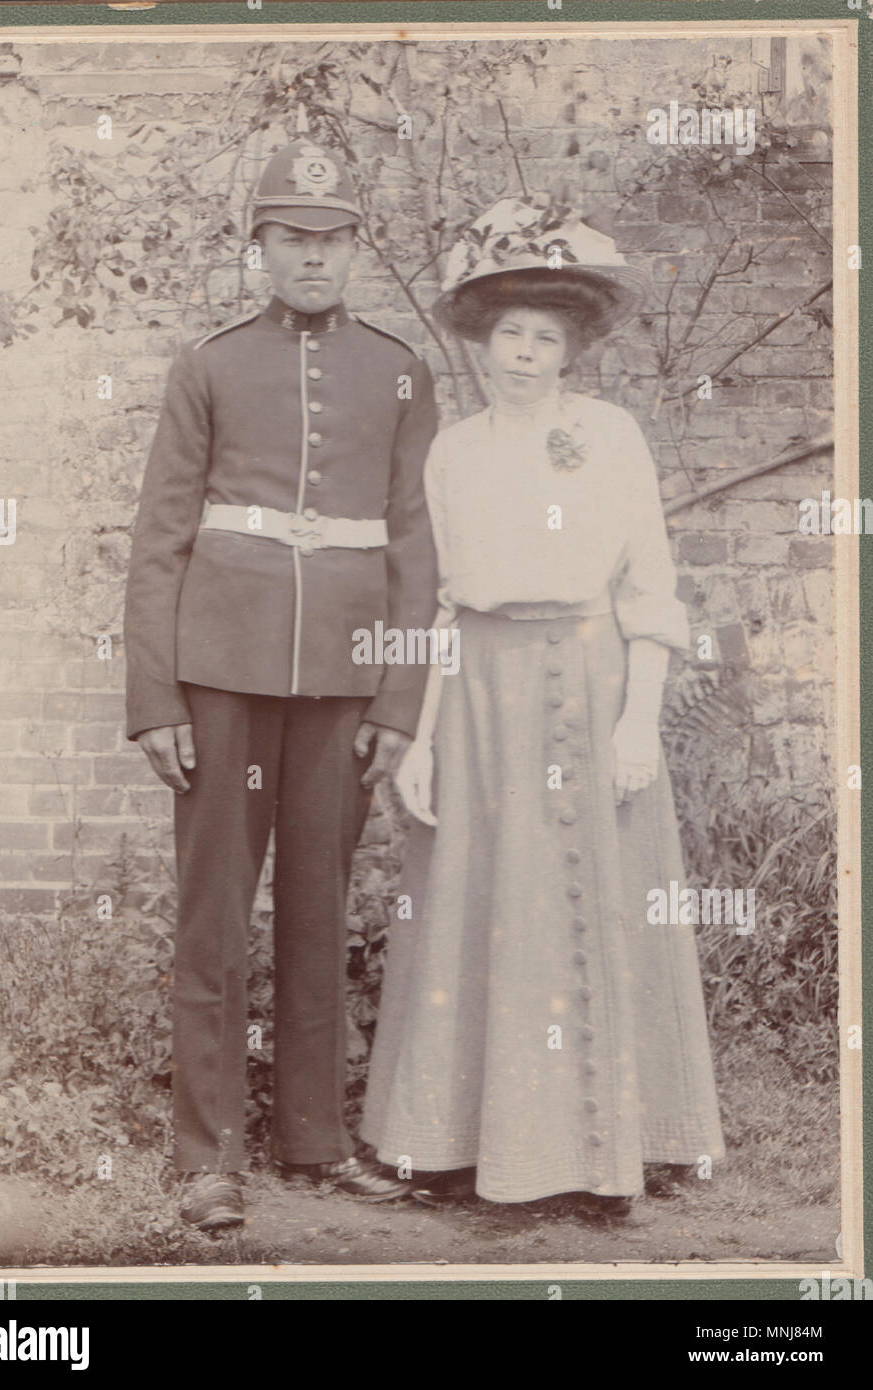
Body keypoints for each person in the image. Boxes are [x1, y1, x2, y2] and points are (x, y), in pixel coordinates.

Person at [360, 198, 725, 1211]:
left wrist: (637, 718)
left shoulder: (607, 436)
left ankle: (612, 1151)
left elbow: (646, 586)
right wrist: (422, 741)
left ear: (570, 351)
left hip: (589, 674)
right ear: (480, 340)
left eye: (544, 339)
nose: (521, 355)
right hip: (478, 692)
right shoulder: (452, 452)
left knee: (590, 902)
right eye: (507, 334)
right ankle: (460, 1147)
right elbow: (435, 603)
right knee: (479, 907)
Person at [124, 139, 438, 1229]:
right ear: (258, 244)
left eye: (333, 236)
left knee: (319, 905)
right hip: (219, 674)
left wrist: (399, 703)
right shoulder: (208, 364)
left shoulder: (399, 368)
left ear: (355, 247)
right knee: (215, 915)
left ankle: (312, 1138)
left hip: (347, 677)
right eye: (292, 235)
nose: (314, 254)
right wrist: (154, 698)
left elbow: (412, 545)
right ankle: (206, 1154)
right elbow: (159, 538)